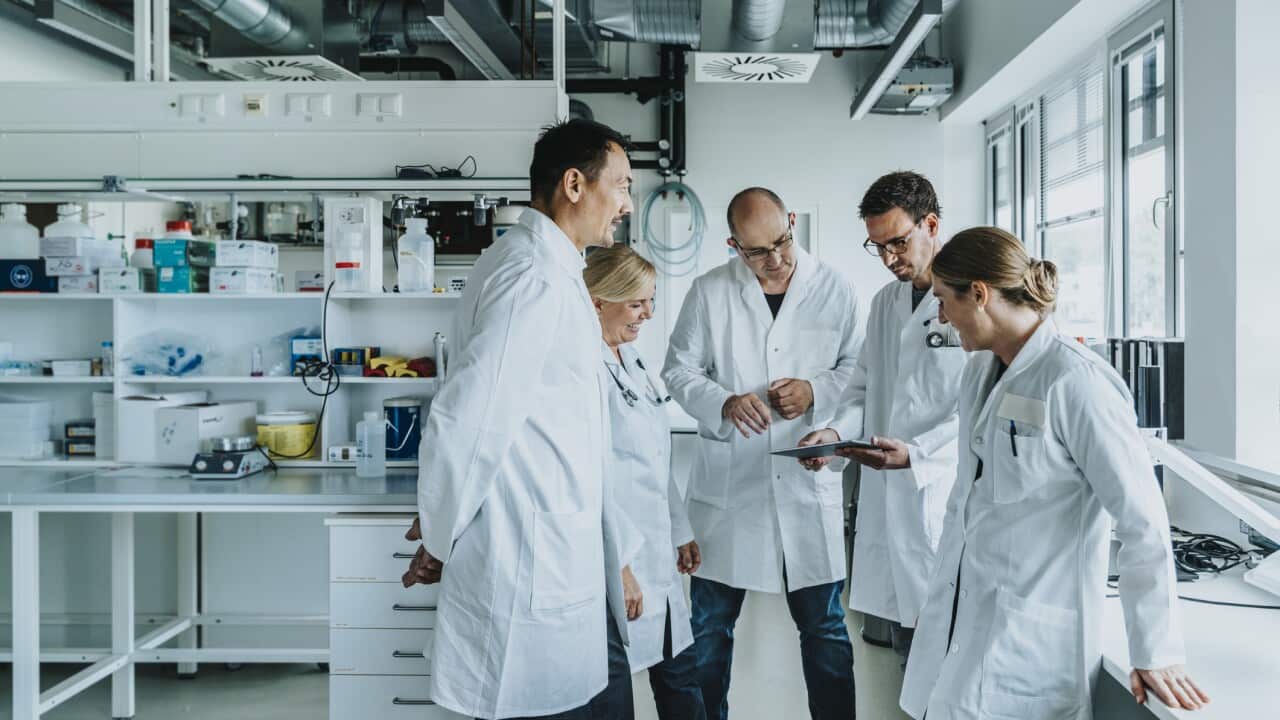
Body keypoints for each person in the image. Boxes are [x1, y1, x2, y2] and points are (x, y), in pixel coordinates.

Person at [899, 226, 1210, 719]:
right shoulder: (981, 370)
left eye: (943, 299)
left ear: (978, 294)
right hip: (967, 624)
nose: (940, 315)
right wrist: (945, 594)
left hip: (1031, 646)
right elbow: (969, 503)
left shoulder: (1077, 382)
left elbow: (1142, 518)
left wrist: (1156, 651)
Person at [402, 119, 640, 720]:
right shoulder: (531, 275)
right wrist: (439, 533)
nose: (628, 203)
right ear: (575, 185)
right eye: (623, 184)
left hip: (558, 548)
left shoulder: (551, 269)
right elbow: (469, 420)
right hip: (529, 555)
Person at [662, 187, 862, 720]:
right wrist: (723, 402)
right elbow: (677, 370)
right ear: (733, 246)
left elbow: (859, 374)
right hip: (729, 494)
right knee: (707, 632)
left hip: (805, 484)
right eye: (756, 252)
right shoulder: (708, 292)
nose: (775, 259)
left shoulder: (835, 288)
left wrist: (817, 392)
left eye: (782, 241)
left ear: (792, 222)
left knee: (825, 632)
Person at [796, 171, 966, 666]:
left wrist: (919, 454)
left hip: (940, 496)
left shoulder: (971, 299)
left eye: (898, 242)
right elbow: (863, 389)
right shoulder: (886, 304)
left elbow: (980, 410)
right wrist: (833, 432)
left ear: (931, 224)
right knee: (908, 655)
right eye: (879, 247)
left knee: (943, 658)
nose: (890, 259)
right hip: (891, 503)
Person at [586, 245, 707, 720]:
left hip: (656, 556)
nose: (648, 314)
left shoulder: (632, 360)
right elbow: (590, 477)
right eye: (637, 303)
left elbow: (655, 458)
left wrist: (679, 529)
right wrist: (621, 565)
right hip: (619, 558)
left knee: (682, 680)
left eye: (650, 301)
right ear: (598, 300)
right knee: (614, 696)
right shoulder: (583, 368)